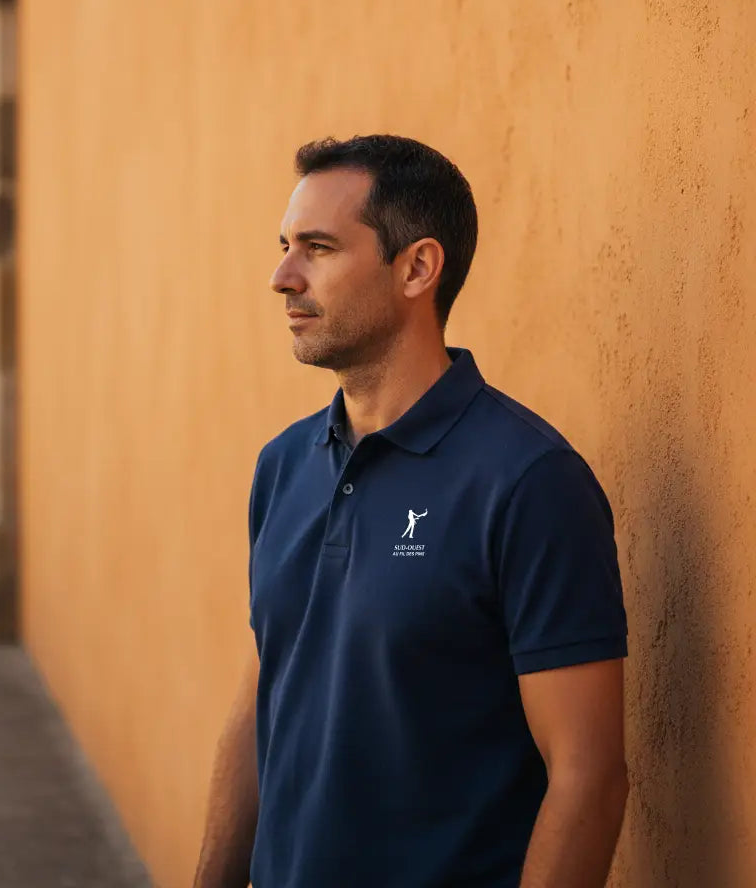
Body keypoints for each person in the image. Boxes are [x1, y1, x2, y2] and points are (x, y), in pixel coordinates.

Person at [193, 135, 629, 888]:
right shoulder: (283, 466)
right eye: (285, 246)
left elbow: (589, 777)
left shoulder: (528, 482)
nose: (282, 276)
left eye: (318, 248)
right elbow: (263, 695)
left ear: (418, 268)